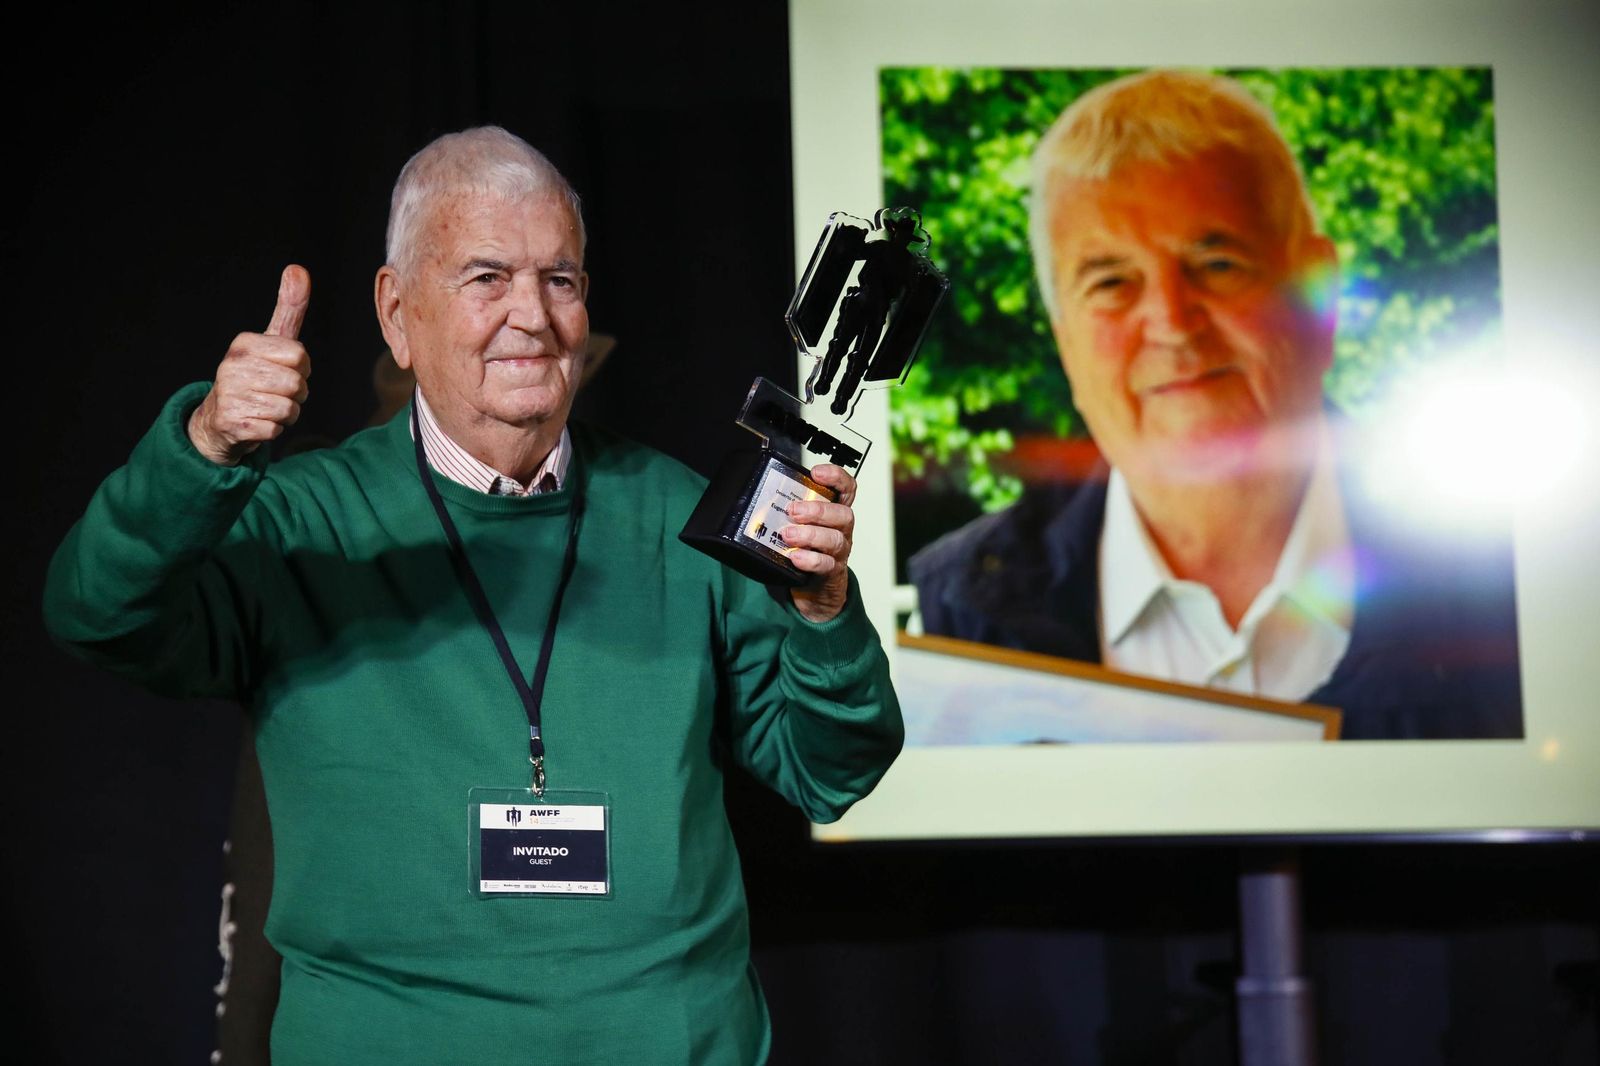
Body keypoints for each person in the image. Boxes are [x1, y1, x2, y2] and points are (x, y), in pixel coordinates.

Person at [45, 126, 903, 1064]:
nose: (531, 315)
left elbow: (831, 773)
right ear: (397, 312)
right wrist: (202, 446)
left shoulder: (680, 515)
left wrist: (823, 613)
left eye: (560, 279)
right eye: (486, 278)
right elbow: (95, 612)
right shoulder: (297, 521)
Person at [910, 70, 1521, 740]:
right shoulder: (960, 620)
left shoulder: (1507, 590)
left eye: (1219, 264)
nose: (1172, 321)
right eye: (1112, 281)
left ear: (1323, 295)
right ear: (1064, 340)